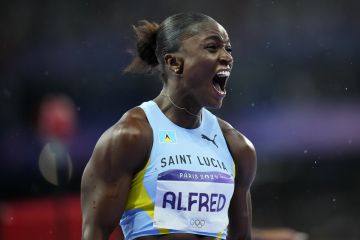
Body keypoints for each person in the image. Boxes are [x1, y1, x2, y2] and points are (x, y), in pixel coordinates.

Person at [81, 12, 257, 240]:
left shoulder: (237, 147)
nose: (227, 57)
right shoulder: (131, 137)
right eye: (213, 47)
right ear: (175, 63)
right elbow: (95, 233)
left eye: (228, 49)